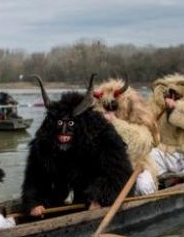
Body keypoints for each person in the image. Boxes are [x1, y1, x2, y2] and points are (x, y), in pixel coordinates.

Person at [21, 75, 132, 217]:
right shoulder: (44, 140)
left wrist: (101, 198)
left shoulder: (101, 133)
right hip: (63, 190)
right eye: (60, 124)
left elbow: (119, 175)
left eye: (71, 125)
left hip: (92, 186)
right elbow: (34, 178)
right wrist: (34, 202)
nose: (64, 132)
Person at [93, 79, 159, 195]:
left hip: (135, 166)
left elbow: (140, 144)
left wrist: (115, 122)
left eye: (113, 106)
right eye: (106, 107)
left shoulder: (139, 119)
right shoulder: (97, 121)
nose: (109, 111)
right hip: (105, 168)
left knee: (143, 185)